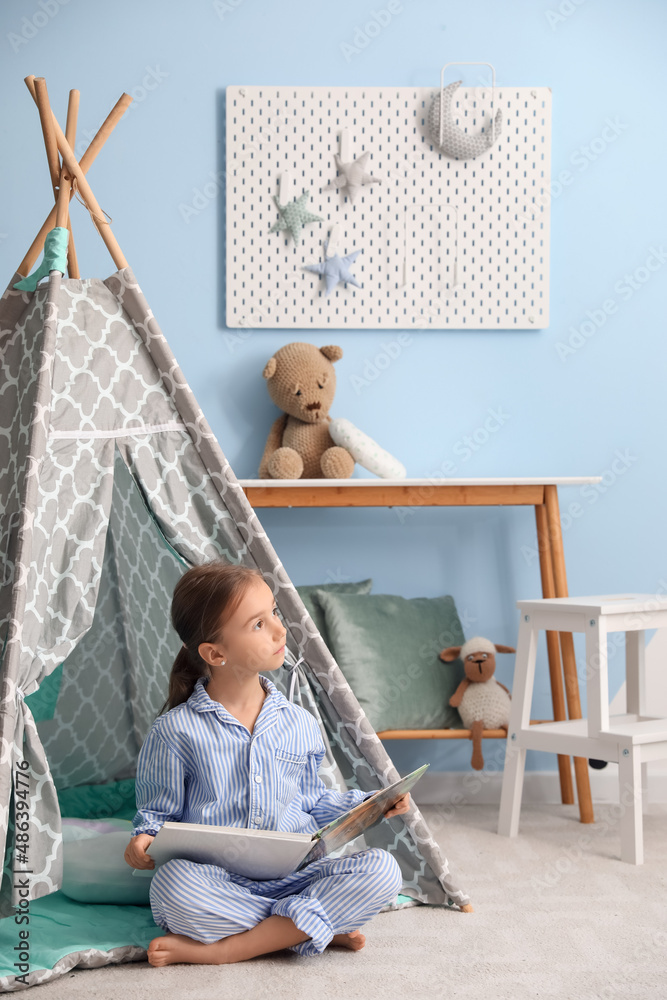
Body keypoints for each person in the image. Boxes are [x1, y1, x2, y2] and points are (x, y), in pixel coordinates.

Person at [124, 561, 409, 966]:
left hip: (297, 877)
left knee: (383, 871)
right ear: (215, 653)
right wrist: (142, 840)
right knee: (173, 889)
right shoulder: (175, 731)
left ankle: (231, 948)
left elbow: (312, 802)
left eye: (273, 612)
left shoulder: (299, 723)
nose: (279, 629)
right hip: (219, 882)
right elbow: (157, 812)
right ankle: (307, 929)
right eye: (257, 624)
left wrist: (370, 804)